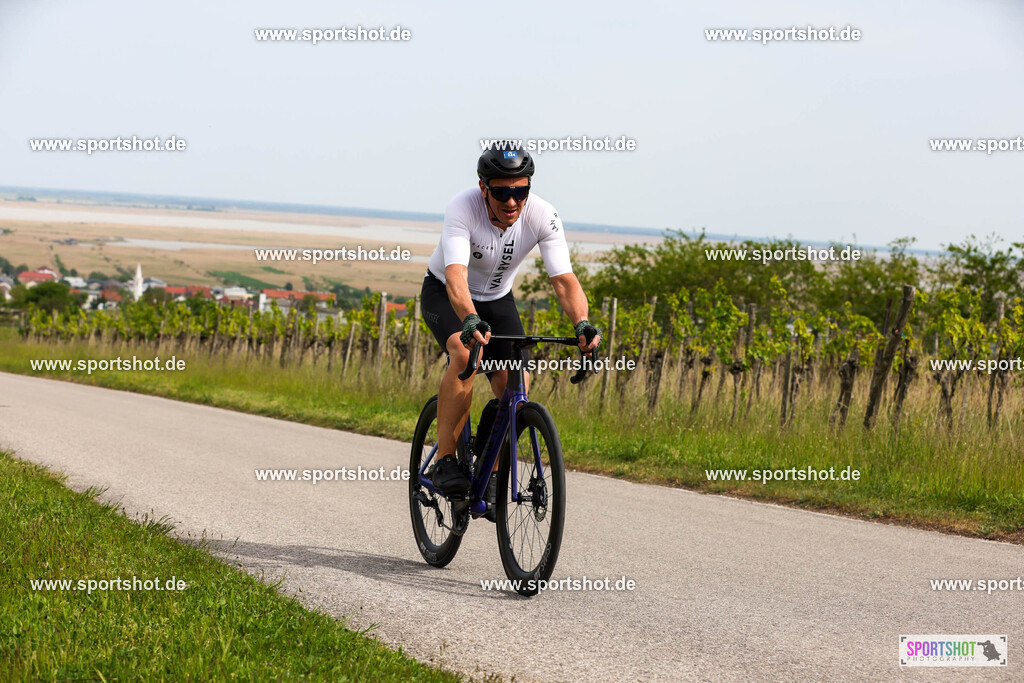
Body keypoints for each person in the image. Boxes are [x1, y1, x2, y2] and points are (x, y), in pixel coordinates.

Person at [420, 145, 601, 516]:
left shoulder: (543, 214)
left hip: (498, 299)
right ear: (483, 187)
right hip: (446, 293)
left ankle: (488, 460)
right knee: (464, 352)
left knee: (516, 381)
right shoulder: (462, 207)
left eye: (520, 191)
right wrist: (469, 319)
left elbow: (564, 281)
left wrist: (581, 323)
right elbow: (455, 274)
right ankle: (447, 461)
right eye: (502, 191)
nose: (512, 200)